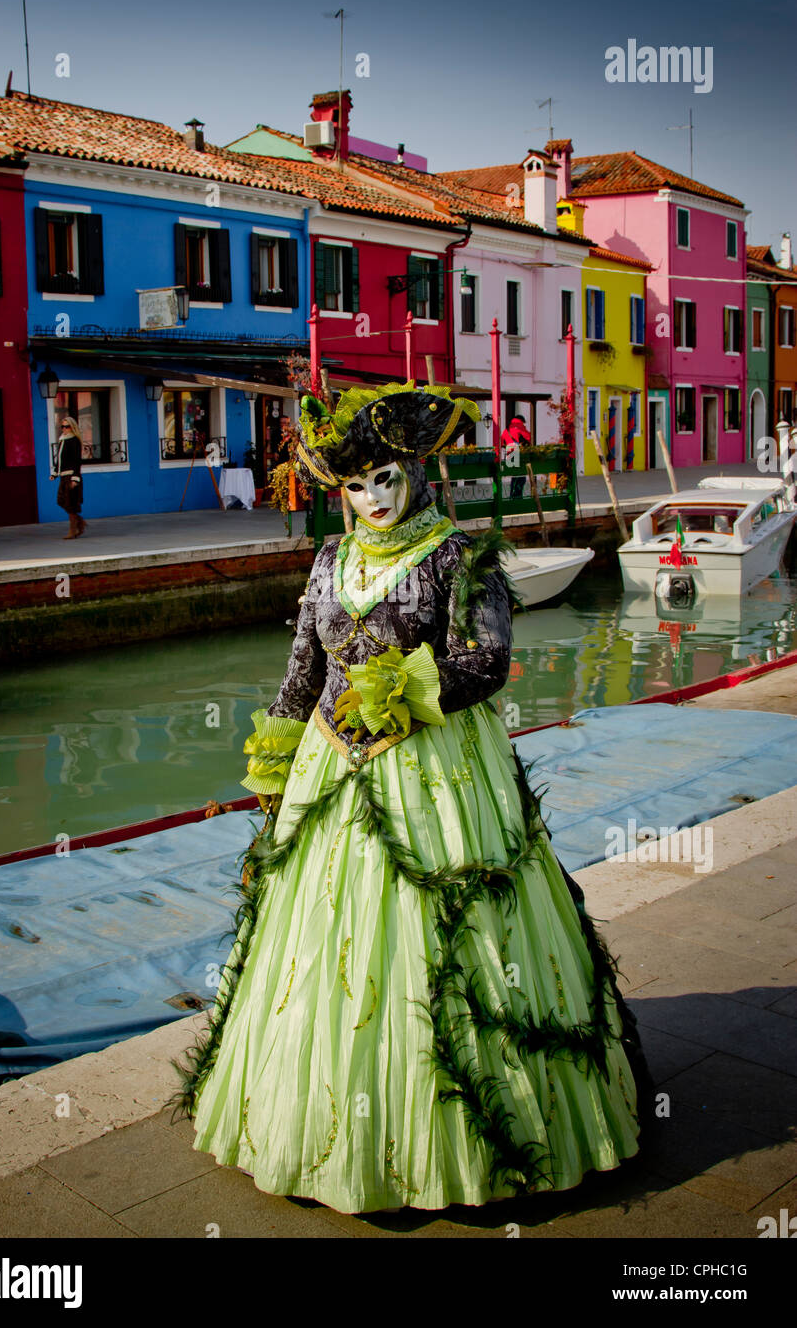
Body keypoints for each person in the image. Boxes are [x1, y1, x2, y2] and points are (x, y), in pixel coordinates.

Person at [172, 381, 651, 1215]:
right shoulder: (328, 560)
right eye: (355, 486)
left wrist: (401, 695)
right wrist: (277, 765)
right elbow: (302, 673)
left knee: (448, 945)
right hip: (330, 776)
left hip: (435, 774)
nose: (372, 499)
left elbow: (485, 663)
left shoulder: (461, 559)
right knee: (324, 942)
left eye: (385, 478)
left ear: (418, 473)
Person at [51, 415, 85, 538]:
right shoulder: (63, 440)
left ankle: (73, 530)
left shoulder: (74, 440)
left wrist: (75, 478)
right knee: (61, 501)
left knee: (71, 503)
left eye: (67, 426)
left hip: (71, 476)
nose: (64, 429)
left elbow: (76, 460)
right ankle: (80, 522)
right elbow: (59, 459)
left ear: (72, 427)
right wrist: (55, 472)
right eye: (62, 426)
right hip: (63, 476)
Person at [502, 414, 531, 500]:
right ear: (521, 421)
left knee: (514, 477)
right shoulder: (520, 426)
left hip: (509, 453)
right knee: (521, 477)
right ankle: (518, 497)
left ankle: (512, 496)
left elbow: (502, 441)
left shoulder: (507, 429)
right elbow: (528, 437)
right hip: (518, 453)